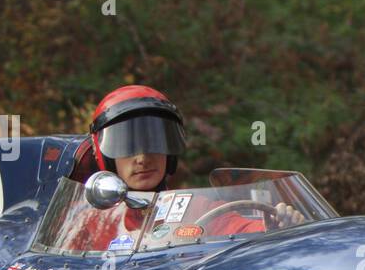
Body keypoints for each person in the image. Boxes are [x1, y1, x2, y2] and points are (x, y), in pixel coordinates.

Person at [64, 85, 300, 252]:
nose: (143, 158)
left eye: (155, 144)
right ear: (105, 155)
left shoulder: (198, 208)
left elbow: (240, 229)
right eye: (127, 147)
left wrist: (276, 227)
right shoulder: (92, 221)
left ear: (170, 152)